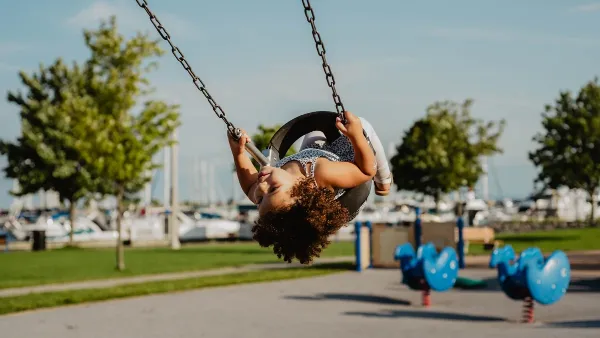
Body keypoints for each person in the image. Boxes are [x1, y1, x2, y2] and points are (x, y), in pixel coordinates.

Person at [228, 111, 392, 264]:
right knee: (363, 126)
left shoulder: (275, 195)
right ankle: (384, 180)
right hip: (349, 159)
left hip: (314, 153)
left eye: (260, 198)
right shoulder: (323, 173)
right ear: (304, 191)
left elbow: (250, 187)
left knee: (315, 132)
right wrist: (356, 136)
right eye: (273, 189)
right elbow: (365, 171)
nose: (262, 186)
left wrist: (238, 153)